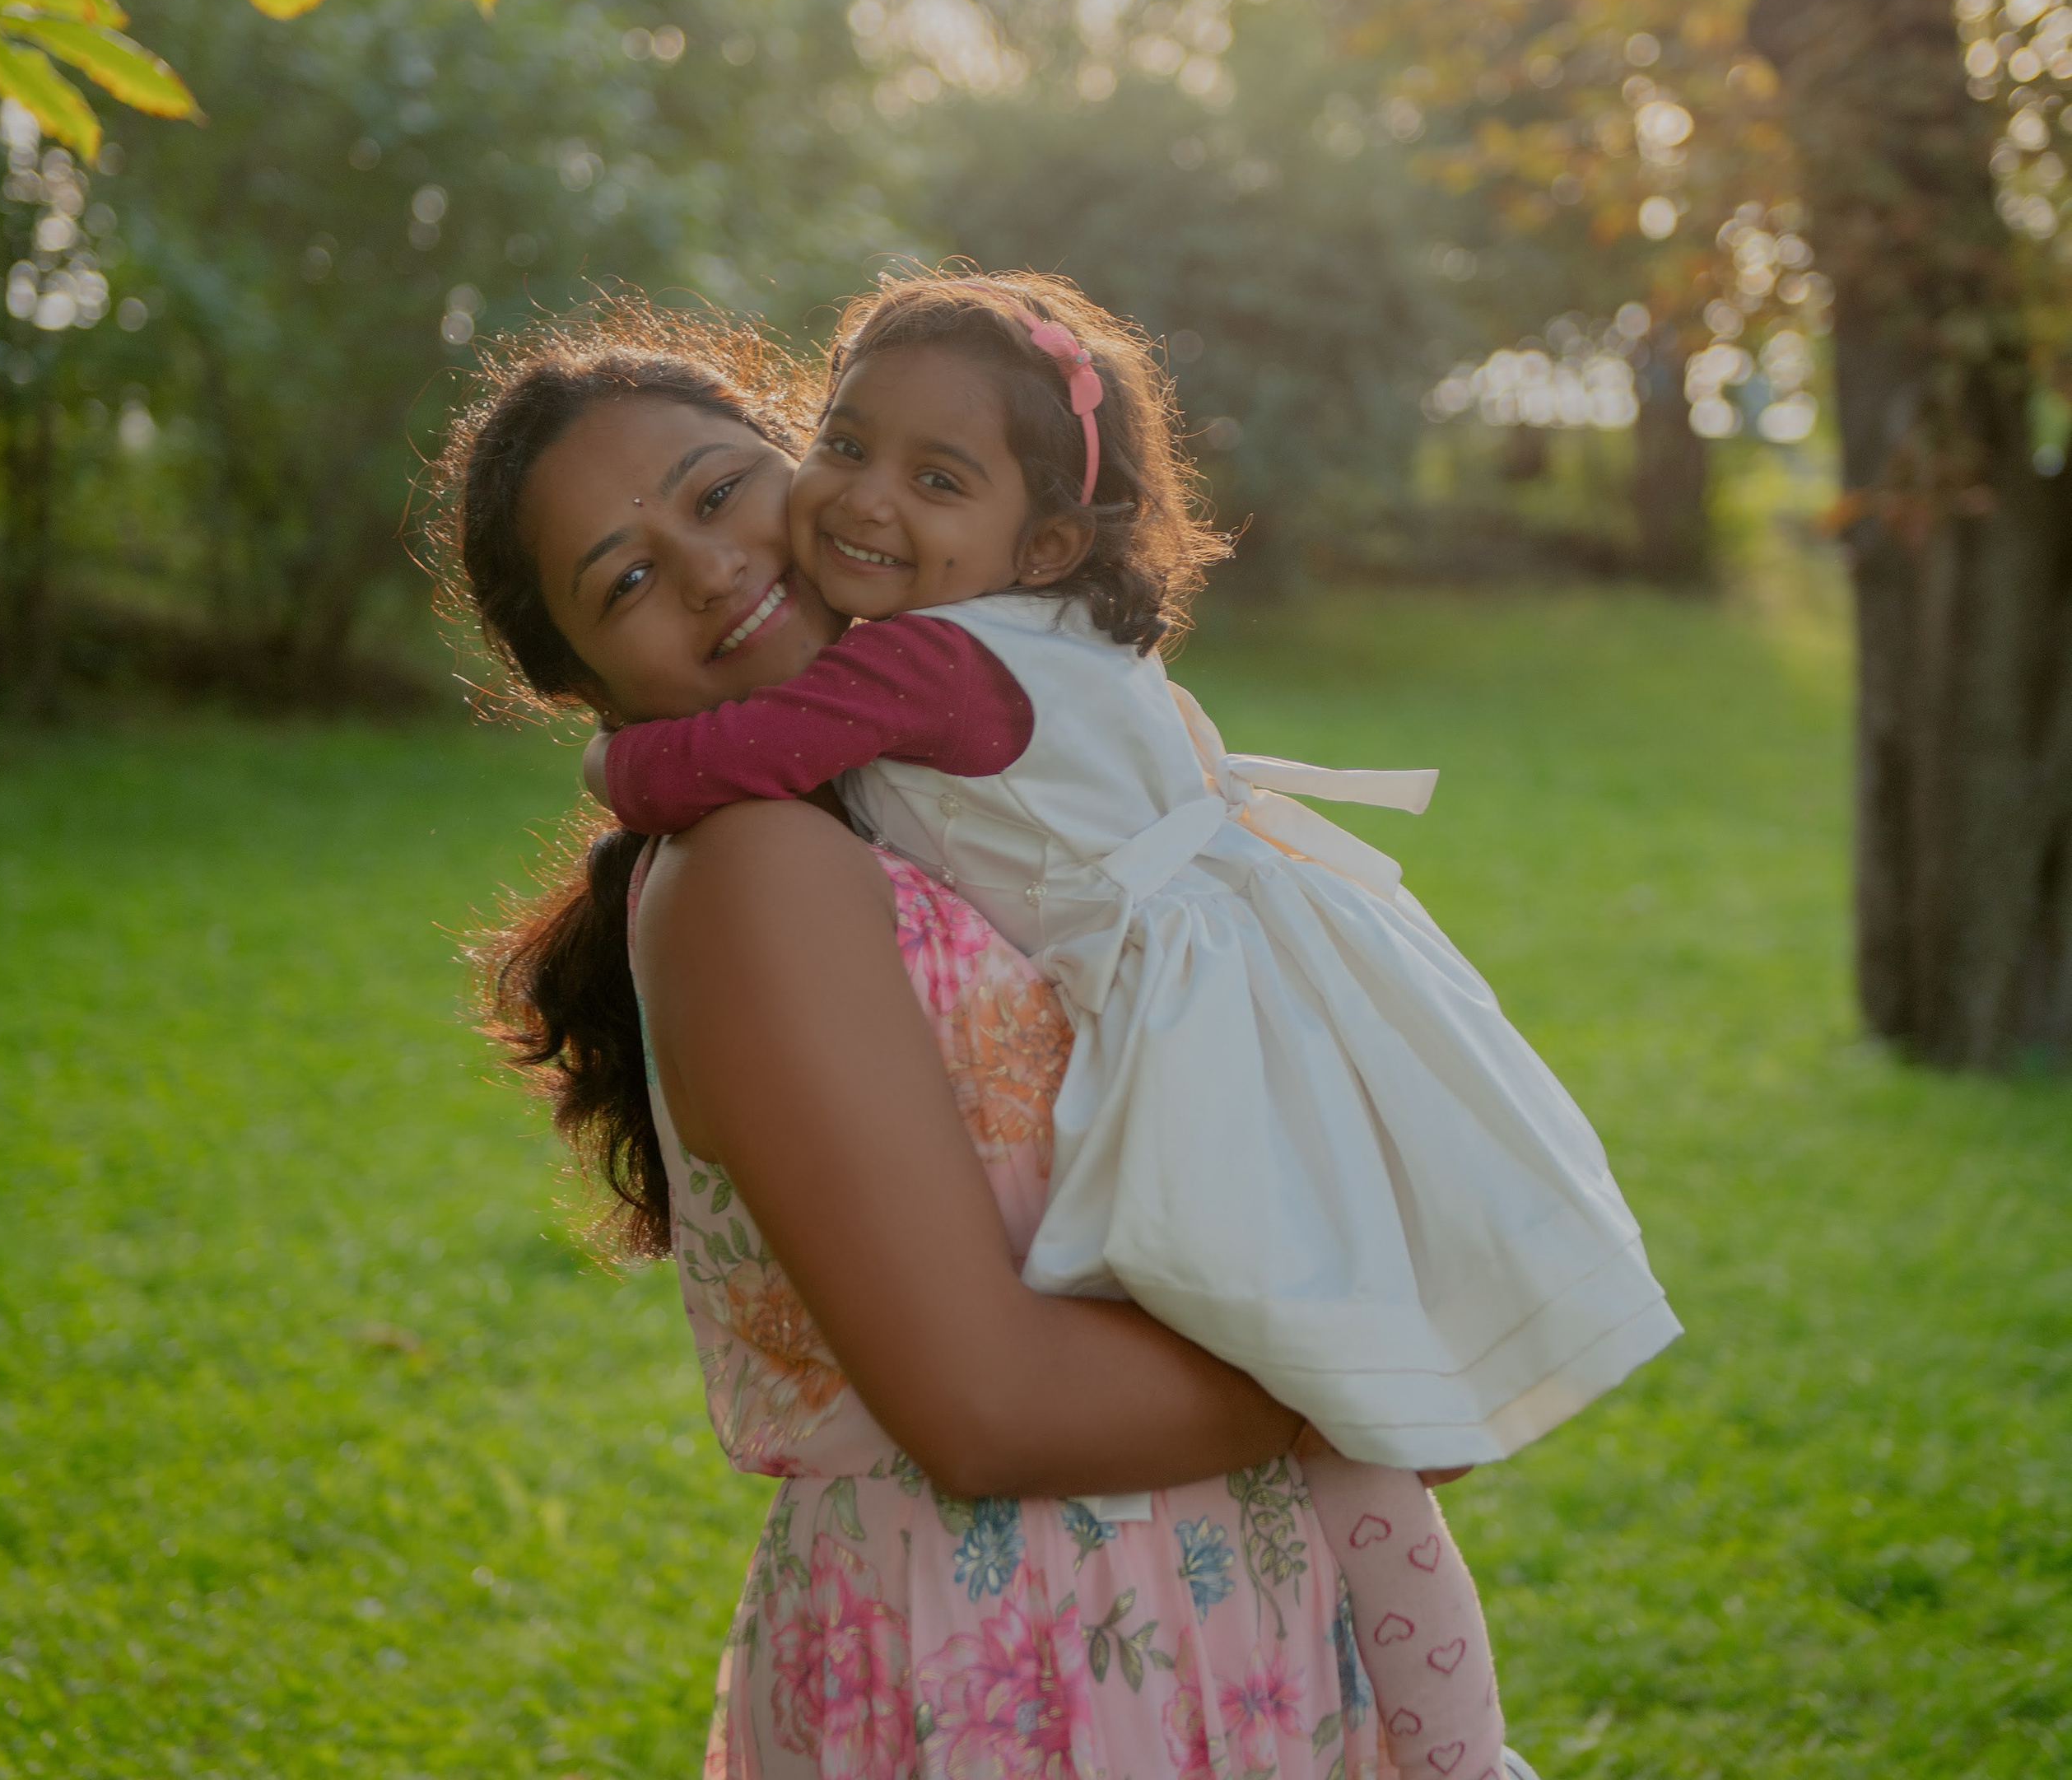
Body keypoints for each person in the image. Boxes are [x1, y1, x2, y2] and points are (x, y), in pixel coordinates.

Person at [584, 272, 1684, 1779]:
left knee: (1302, 1362)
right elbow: (989, 1406)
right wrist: (1332, 1375)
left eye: (937, 476)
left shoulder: (919, 669)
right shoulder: (974, 681)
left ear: (1040, 540)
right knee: (1349, 1425)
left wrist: (622, 770)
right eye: (850, 443)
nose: (855, 503)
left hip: (1187, 1046)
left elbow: (741, 753)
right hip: (1038, 1613)